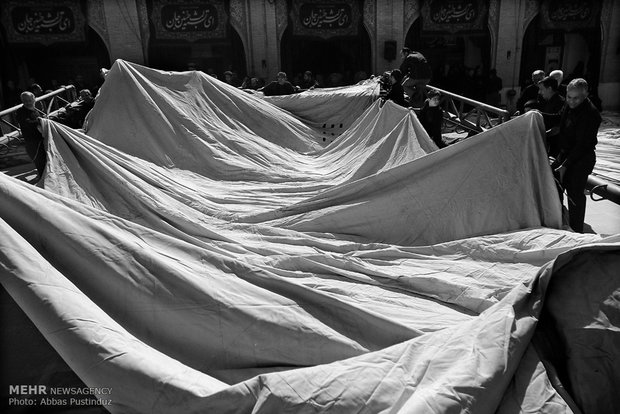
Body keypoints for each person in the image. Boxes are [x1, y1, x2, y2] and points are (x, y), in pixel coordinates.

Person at [543, 78, 601, 233]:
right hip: (565, 154)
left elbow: (582, 145)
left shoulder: (591, 114)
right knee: (552, 183)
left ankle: (577, 231)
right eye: (569, 97)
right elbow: (557, 118)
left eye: (576, 98)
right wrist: (536, 114)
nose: (571, 101)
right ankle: (559, 220)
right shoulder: (568, 105)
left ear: (585, 95)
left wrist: (566, 165)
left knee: (574, 195)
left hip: (581, 159)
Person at [15, 91, 46, 179]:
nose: (28, 102)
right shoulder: (20, 112)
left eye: (30, 100)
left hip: (41, 140)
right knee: (40, 164)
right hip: (33, 143)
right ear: (22, 101)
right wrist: (41, 121)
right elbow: (27, 123)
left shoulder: (35, 111)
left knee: (46, 163)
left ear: (34, 100)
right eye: (25, 100)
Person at [537, 76, 565, 157]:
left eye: (541, 89)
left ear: (549, 89)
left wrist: (538, 114)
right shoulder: (547, 100)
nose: (539, 92)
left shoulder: (560, 102)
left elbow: (557, 121)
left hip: (556, 147)